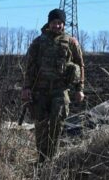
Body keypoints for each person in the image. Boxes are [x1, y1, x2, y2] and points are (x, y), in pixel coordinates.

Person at [20, 8, 85, 162]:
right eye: (54, 23)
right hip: (40, 90)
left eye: (60, 23)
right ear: (49, 23)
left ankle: (51, 160)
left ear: (63, 24)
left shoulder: (71, 42)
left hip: (60, 90)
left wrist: (79, 89)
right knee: (41, 125)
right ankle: (42, 159)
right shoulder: (38, 42)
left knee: (57, 125)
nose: (57, 26)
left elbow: (80, 65)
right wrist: (26, 88)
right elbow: (29, 66)